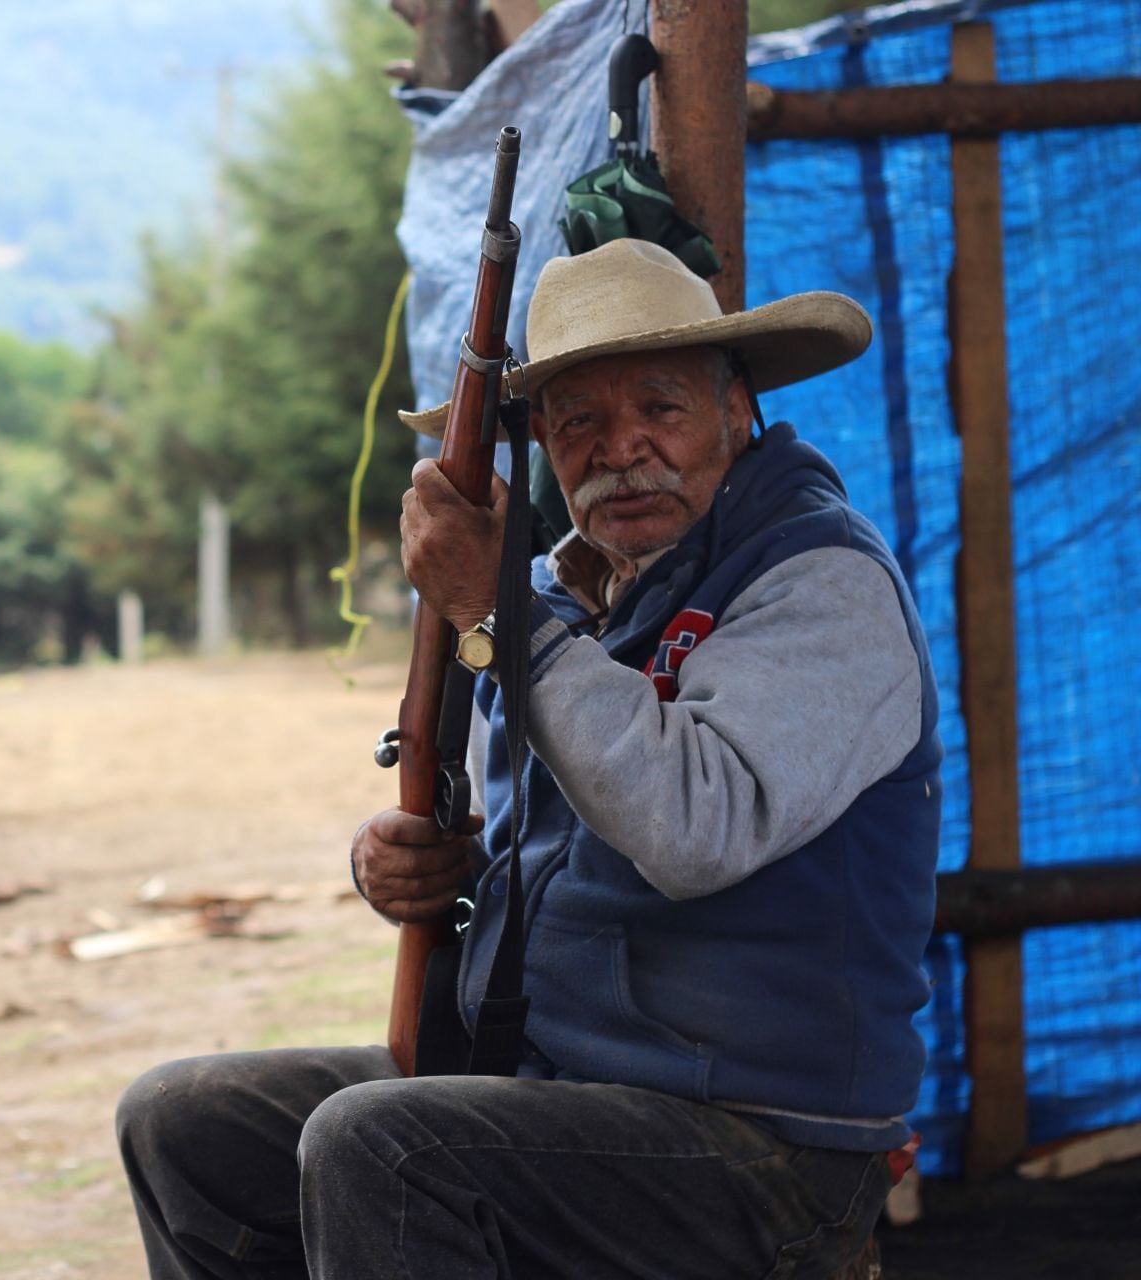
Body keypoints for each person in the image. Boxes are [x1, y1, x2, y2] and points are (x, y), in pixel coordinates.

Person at [115, 238, 941, 1279]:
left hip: (763, 1139)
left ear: (738, 411)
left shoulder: (820, 582)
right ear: (542, 444)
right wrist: (420, 865)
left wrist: (506, 627)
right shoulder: (562, 593)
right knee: (185, 1122)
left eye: (662, 407)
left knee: (386, 1145)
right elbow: (539, 845)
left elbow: (694, 826)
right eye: (579, 420)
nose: (621, 448)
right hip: (554, 1086)